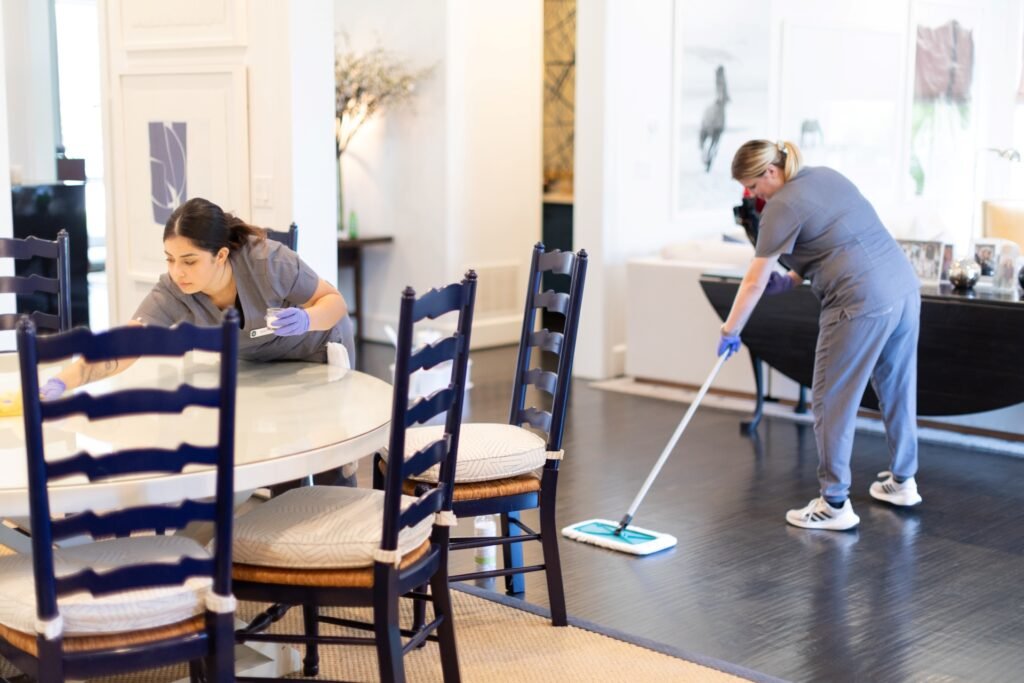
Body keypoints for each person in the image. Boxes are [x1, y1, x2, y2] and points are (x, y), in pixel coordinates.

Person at [38, 197, 359, 484]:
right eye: (170, 259)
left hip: (316, 349)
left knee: (327, 452)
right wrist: (63, 381)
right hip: (261, 363)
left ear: (220, 255)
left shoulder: (268, 262)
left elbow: (334, 302)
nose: (178, 272)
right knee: (277, 458)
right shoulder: (174, 292)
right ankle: (277, 534)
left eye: (189, 261)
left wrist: (306, 320)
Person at [719, 140, 922, 531]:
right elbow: (839, 238)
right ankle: (903, 482)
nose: (752, 196)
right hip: (903, 289)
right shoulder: (826, 176)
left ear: (769, 173)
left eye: (751, 186)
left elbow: (753, 280)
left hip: (858, 301)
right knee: (897, 387)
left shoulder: (780, 206)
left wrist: (731, 330)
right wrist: (795, 276)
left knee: (831, 400)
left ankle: (834, 505)